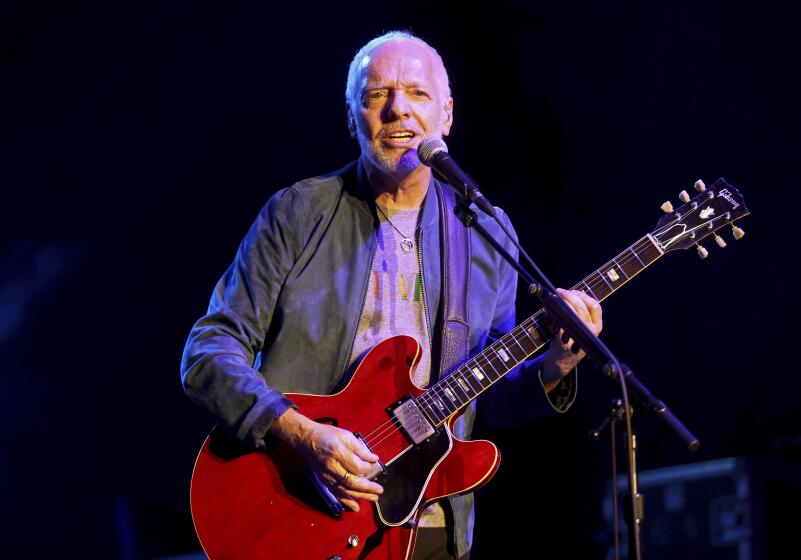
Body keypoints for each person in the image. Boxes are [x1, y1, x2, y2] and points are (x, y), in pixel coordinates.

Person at [181, 30, 603, 560]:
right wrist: (301, 433)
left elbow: (488, 397)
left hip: (425, 526)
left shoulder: (487, 232)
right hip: (296, 512)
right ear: (350, 116)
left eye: (417, 95)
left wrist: (555, 365)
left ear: (446, 115)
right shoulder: (296, 213)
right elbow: (207, 352)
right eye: (377, 95)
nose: (398, 110)